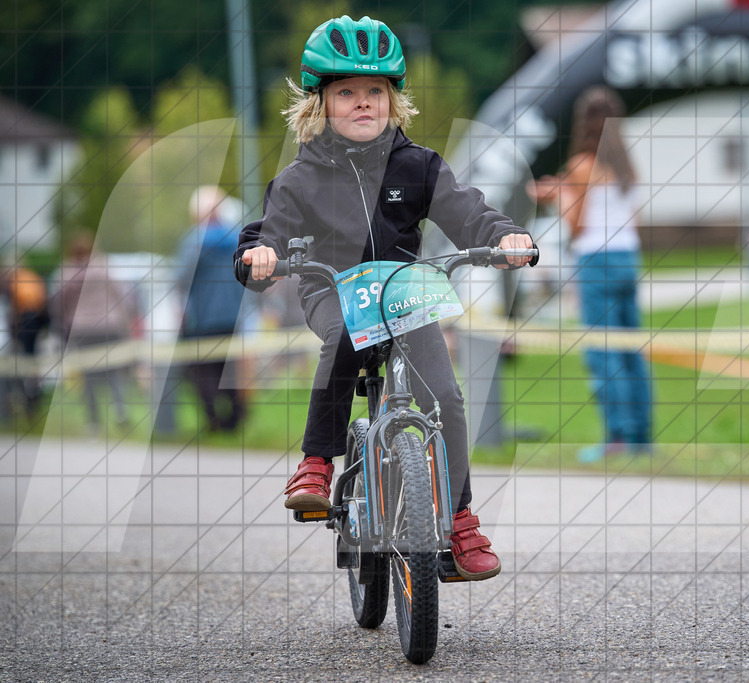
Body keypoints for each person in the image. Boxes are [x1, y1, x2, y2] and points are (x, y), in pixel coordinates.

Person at [234, 15, 535, 581]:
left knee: (445, 397)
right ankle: (317, 462)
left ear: (392, 99)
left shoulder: (418, 166)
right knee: (345, 333)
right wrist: (260, 256)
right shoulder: (300, 178)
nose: (363, 103)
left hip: (403, 291)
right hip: (332, 288)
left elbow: (469, 213)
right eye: (346, 93)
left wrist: (504, 237)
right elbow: (266, 232)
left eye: (374, 91)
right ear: (320, 103)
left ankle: (459, 519)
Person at [530, 86, 652, 462]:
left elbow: (577, 224)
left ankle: (617, 435)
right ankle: (640, 437)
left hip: (597, 260)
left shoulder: (582, 164)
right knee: (631, 350)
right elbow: (632, 218)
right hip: (628, 256)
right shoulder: (627, 165)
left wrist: (558, 196)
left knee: (602, 351)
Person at [50, 233, 136, 432]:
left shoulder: (66, 273)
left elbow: (58, 304)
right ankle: (120, 408)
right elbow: (120, 297)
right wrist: (126, 326)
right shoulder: (104, 269)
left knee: (88, 375)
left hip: (82, 329)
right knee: (114, 370)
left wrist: (63, 325)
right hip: (109, 326)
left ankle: (93, 422)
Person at [178, 186, 247, 432]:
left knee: (202, 370)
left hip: (203, 318)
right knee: (229, 369)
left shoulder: (194, 241)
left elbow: (181, 278)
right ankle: (235, 420)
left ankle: (213, 419)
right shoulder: (237, 238)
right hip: (232, 316)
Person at [1, 259, 50, 417]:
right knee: (30, 359)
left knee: (20, 362)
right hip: (34, 322)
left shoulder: (13, 282)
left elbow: (12, 310)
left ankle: (27, 397)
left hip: (22, 324)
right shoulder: (32, 277)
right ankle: (32, 395)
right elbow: (44, 301)